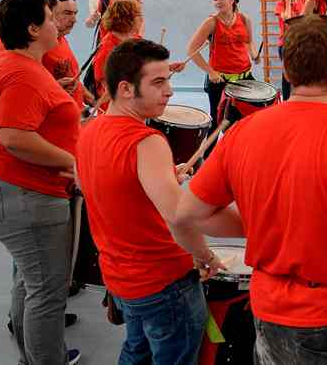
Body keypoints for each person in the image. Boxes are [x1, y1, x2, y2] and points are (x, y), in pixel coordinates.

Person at [173, 17, 327, 364]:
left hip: (270, 316)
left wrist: (261, 222)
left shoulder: (243, 132)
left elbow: (186, 214)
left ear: (286, 69)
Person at [76, 39, 237, 364]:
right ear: (125, 88)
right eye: (158, 82)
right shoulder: (147, 142)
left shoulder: (90, 130)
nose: (170, 91)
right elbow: (180, 218)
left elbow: (91, 183)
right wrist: (205, 256)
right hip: (163, 283)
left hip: (120, 279)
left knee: (136, 352)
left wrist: (158, 178)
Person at [0, 0, 82, 365]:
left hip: (21, 189)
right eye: (52, 18)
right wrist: (71, 160)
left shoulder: (22, 64)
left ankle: (31, 358)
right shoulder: (21, 70)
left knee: (31, 284)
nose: (58, 24)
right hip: (23, 192)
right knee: (48, 292)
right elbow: (14, 137)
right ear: (34, 29)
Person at [187, 0, 260, 119]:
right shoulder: (211, 22)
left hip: (244, 77)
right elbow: (191, 50)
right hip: (219, 79)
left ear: (232, 0)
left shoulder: (244, 19)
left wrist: (254, 54)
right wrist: (211, 72)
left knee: (249, 115)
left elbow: (249, 41)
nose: (218, 2)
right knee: (217, 120)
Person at [42, 0, 94, 111]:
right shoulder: (41, 46)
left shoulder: (62, 39)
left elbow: (71, 76)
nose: (74, 20)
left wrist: (90, 98)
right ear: (51, 14)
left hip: (77, 115)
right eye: (67, 13)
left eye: (75, 13)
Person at [92, 0, 143, 110]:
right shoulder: (107, 49)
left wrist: (167, 67)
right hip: (117, 108)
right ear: (126, 18)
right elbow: (108, 88)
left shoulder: (136, 39)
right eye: (138, 15)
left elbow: (146, 64)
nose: (142, 19)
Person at [274, 0, 306, 100]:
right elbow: (287, 19)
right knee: (287, 74)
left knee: (303, 73)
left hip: (301, 42)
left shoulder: (304, 1)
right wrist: (288, 1)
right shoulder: (280, 3)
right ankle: (287, 100)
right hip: (286, 43)